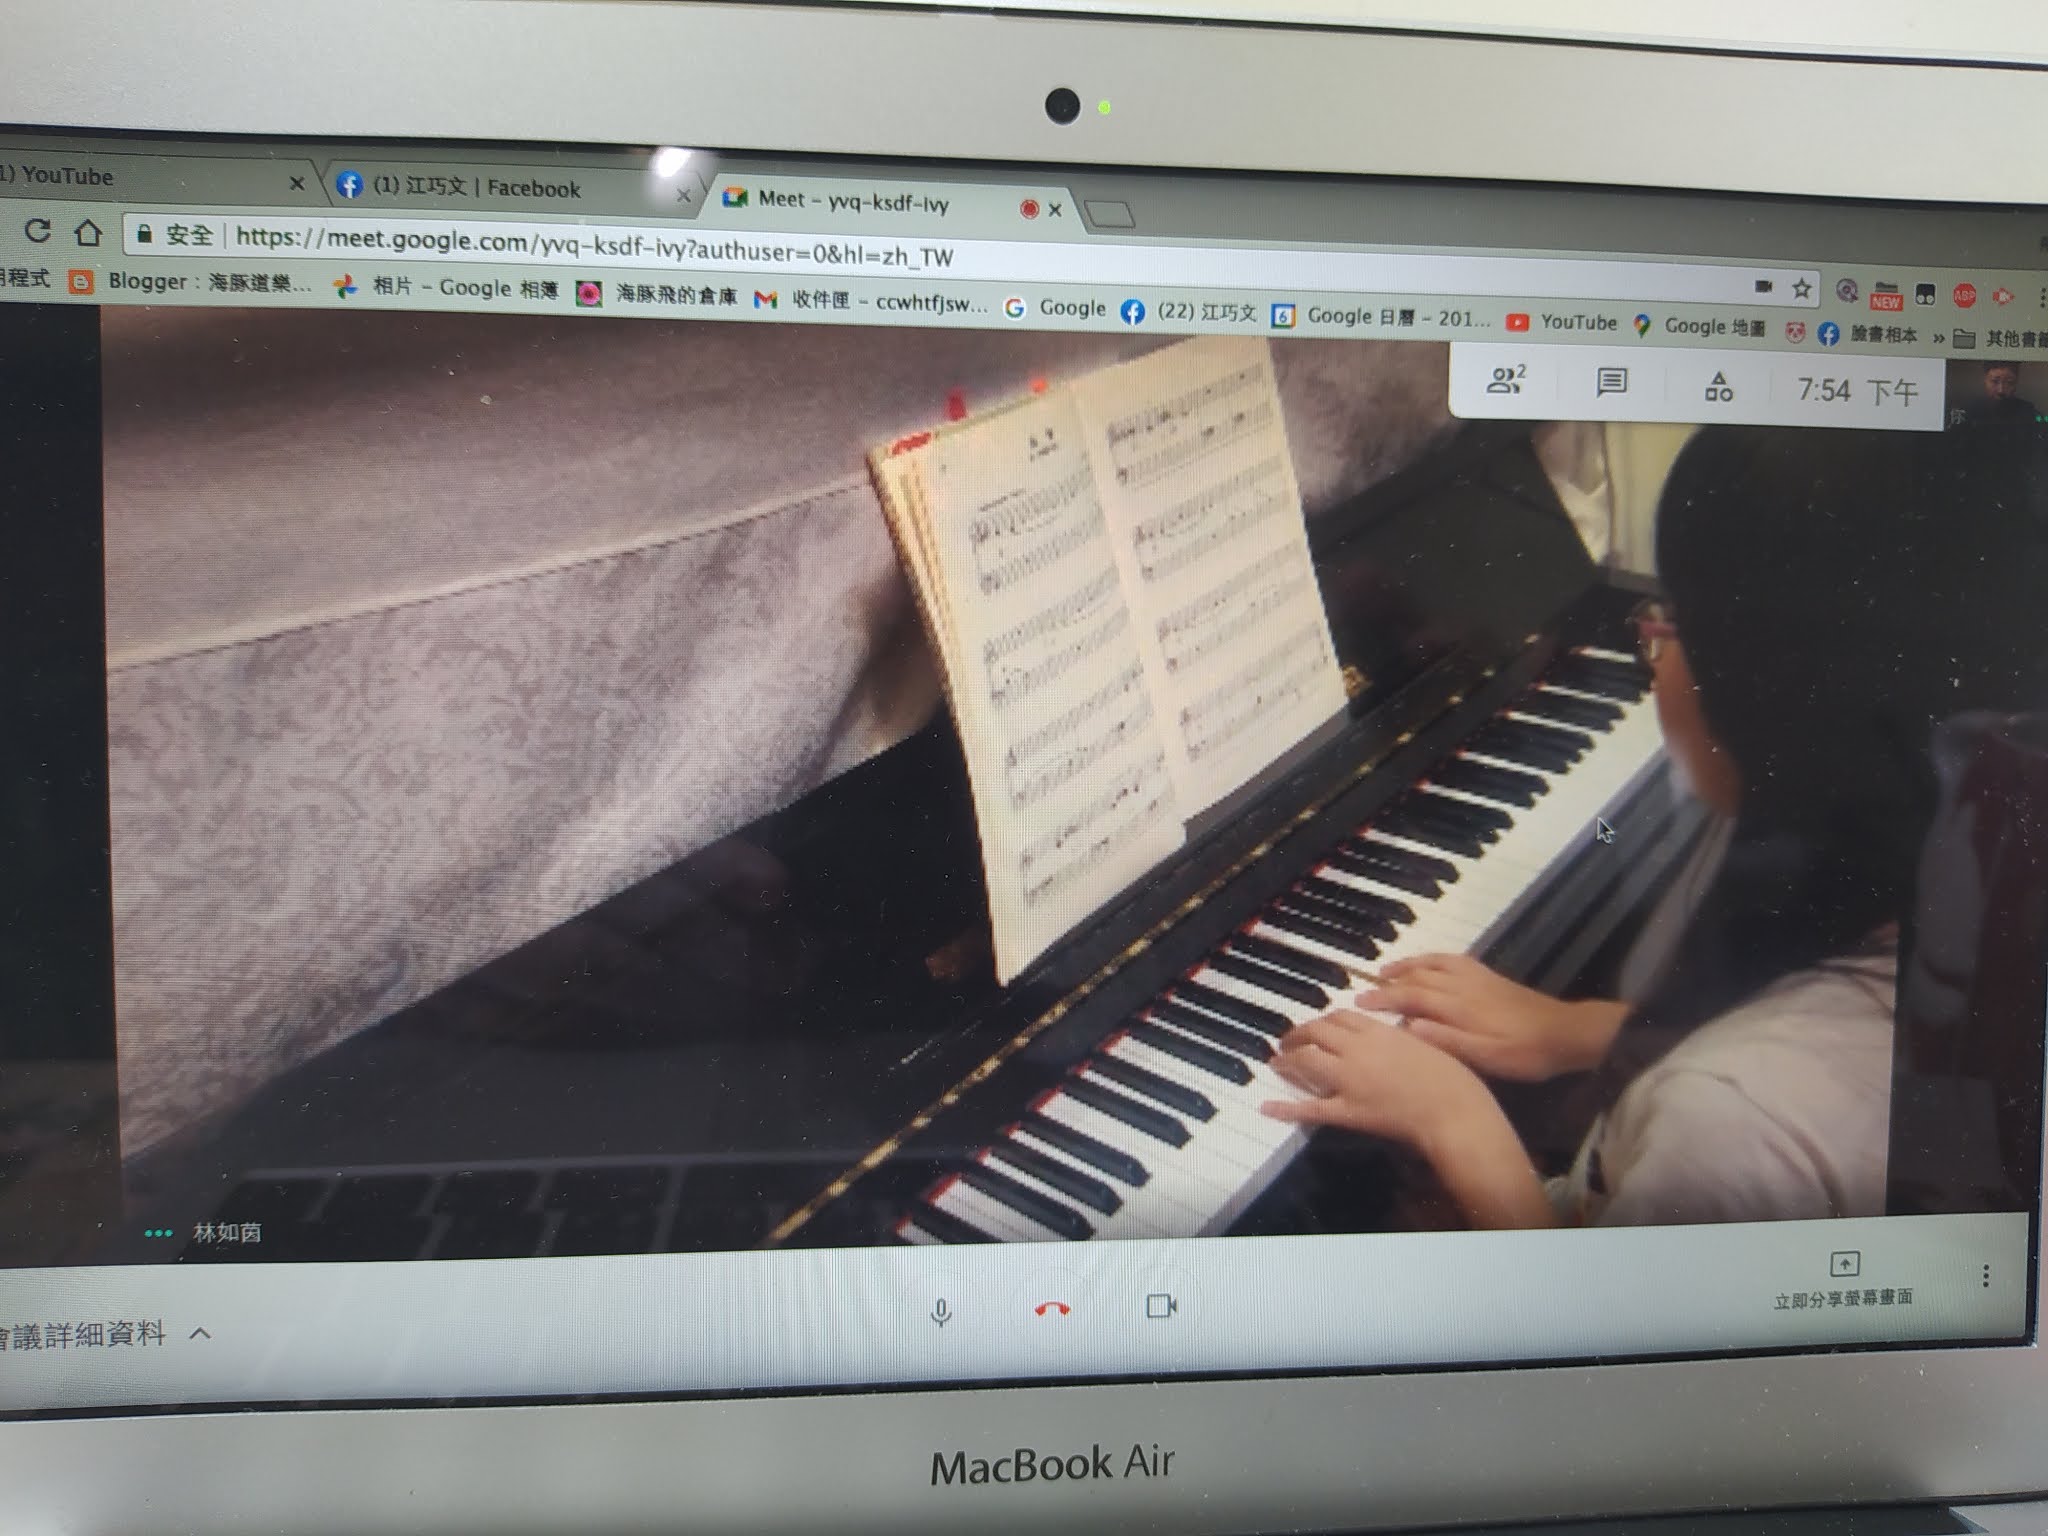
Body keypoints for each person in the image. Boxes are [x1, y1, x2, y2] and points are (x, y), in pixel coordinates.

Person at [1260, 424, 2048, 1228]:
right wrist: (1578, 1031)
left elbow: (1608, 1303)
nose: (1655, 648)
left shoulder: (1730, 1125)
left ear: (1767, 697)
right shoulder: (1972, 882)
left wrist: (1456, 1122)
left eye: (1674, 622)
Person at [1964, 361, 2038, 428]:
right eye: (1995, 381)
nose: (2001, 390)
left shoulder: (2027, 411)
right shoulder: (1969, 411)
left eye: (2009, 382)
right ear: (1985, 380)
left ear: (2016, 383)